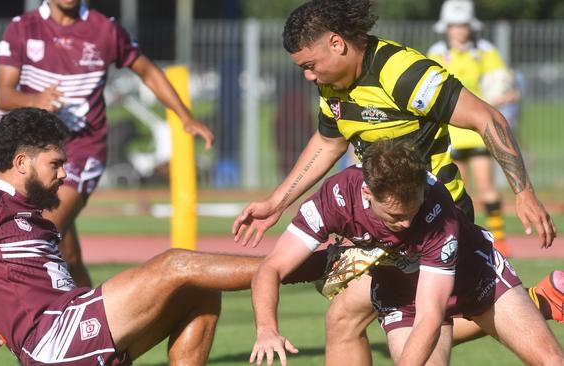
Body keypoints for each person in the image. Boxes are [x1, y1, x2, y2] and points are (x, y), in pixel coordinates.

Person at [232, 0, 559, 364]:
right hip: (386, 230)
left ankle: (528, 302)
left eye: (310, 65)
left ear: (337, 43)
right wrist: (276, 203)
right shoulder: (333, 82)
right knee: (345, 319)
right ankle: (530, 301)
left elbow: (486, 118)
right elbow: (328, 141)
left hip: (438, 219)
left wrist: (523, 192)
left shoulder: (402, 73)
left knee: (430, 313)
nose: (309, 76)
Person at [0, 108, 256, 365]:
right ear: (22, 163)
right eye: (56, 164)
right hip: (52, 339)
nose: (65, 173)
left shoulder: (32, 212)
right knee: (177, 264)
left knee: (202, 288)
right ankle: (297, 266)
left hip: (74, 324)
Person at [250, 138, 564, 366]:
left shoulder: (436, 208)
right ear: (366, 192)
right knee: (342, 318)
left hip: (476, 277)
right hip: (403, 294)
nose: (405, 223)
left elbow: (431, 316)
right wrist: (267, 330)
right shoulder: (335, 198)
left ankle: (544, 299)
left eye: (411, 212)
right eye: (393, 217)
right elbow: (271, 268)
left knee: (551, 361)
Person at [0, 0, 214, 288]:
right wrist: (36, 101)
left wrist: (185, 116)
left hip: (82, 150)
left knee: (41, 232)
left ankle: (28, 328)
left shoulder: (104, 30)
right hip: (36, 151)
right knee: (68, 256)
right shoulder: (22, 29)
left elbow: (147, 70)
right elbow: (3, 94)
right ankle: (93, 320)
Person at [427, 0, 521, 257]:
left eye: (463, 25)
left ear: (470, 26)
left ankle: (499, 240)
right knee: (455, 191)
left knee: (486, 185)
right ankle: (460, 238)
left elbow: (500, 82)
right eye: (454, 26)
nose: (458, 30)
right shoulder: (436, 53)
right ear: (446, 28)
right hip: (449, 131)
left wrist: (505, 94)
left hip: (477, 128)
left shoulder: (484, 51)